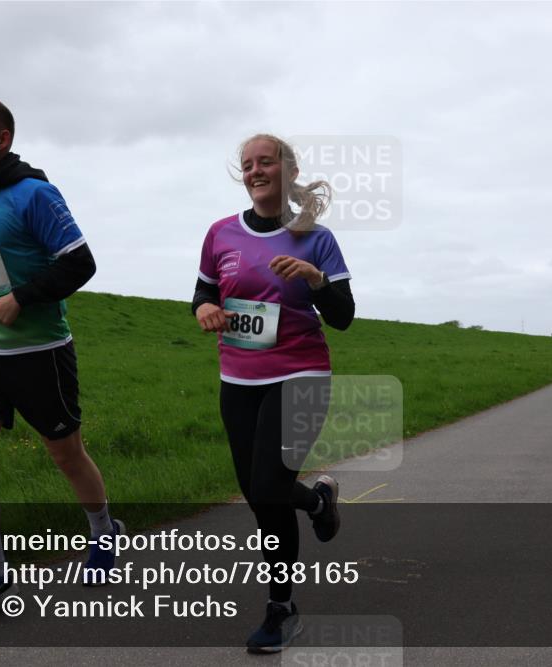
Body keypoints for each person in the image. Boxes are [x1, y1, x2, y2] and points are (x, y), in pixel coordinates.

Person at [0, 98, 121, 614]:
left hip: (41, 353)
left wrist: (22, 297)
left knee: (66, 455)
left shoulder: (34, 194)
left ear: (2, 140)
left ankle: (104, 530)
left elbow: (80, 263)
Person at [192, 134, 355, 653]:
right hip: (237, 378)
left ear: (287, 170)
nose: (256, 170)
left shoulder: (316, 238)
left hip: (300, 373)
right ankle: (317, 499)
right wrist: (203, 310)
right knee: (261, 494)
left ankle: (281, 608)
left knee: (266, 486)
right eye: (247, 164)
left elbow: (344, 316)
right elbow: (203, 292)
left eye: (266, 162)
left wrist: (315, 279)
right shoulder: (220, 233)